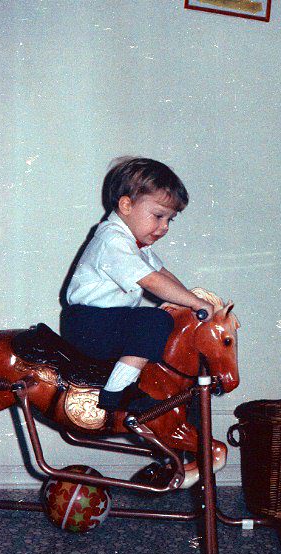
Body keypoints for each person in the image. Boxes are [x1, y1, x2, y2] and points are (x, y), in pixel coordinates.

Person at [61, 157, 214, 413]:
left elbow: (162, 273)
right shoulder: (112, 239)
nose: (164, 227)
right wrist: (194, 302)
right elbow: (151, 281)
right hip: (88, 324)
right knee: (154, 320)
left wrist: (190, 300)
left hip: (108, 322)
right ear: (126, 205)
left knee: (161, 322)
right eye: (158, 216)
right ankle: (117, 390)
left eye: (170, 220)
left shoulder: (135, 244)